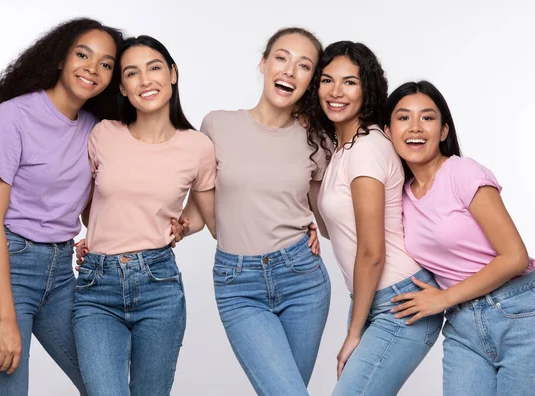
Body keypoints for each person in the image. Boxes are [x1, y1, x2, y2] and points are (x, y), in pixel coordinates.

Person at [0, 18, 123, 396]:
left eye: (106, 64)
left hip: (61, 273)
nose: (92, 68)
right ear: (60, 58)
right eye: (83, 55)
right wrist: (6, 318)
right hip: (3, 266)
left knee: (106, 385)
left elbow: (88, 209)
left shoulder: (96, 128)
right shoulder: (15, 116)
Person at [71, 35, 216, 396]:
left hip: (158, 285)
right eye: (131, 73)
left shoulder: (197, 146)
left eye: (154, 68)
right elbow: (86, 206)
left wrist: (184, 226)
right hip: (95, 286)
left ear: (173, 74)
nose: (145, 80)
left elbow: (205, 217)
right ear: (122, 86)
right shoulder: (103, 134)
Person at [192, 27, 331, 396]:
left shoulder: (315, 139)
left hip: (302, 277)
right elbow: (197, 208)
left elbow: (329, 216)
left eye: (304, 66)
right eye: (282, 58)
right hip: (239, 284)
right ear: (264, 63)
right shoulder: (217, 125)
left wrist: (313, 225)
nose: (289, 70)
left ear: (311, 81)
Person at [305, 41, 443, 395]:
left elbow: (371, 251)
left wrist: (354, 332)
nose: (336, 92)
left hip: (400, 300)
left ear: (368, 88)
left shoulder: (366, 149)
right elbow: (335, 230)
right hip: (375, 297)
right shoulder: (342, 151)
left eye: (350, 82)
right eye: (326, 80)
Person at [383, 80, 535, 396]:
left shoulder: (463, 172)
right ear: (387, 131)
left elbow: (515, 257)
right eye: (403, 117)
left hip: (519, 312)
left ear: (443, 131)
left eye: (427, 117)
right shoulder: (401, 197)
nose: (415, 127)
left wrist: (442, 298)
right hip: (463, 326)